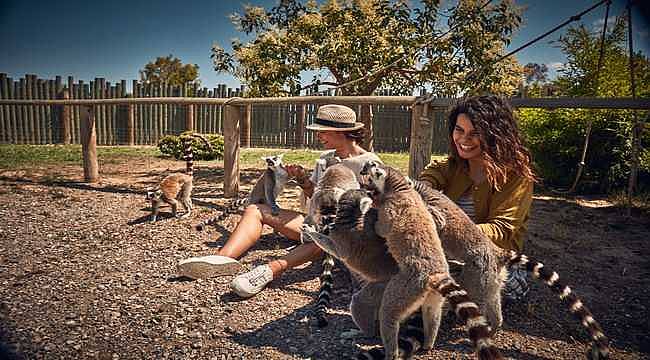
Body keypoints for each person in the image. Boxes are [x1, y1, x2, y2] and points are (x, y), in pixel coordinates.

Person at [178, 104, 382, 298]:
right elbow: (317, 197)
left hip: (345, 238)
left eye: (323, 131)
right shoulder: (326, 157)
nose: (318, 136)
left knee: (325, 234)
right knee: (256, 210)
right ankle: (222, 259)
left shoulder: (369, 164)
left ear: (341, 132)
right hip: (314, 224)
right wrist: (302, 179)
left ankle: (269, 270)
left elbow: (374, 214)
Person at [418, 94, 536, 300]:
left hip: (493, 258)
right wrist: (420, 189)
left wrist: (443, 233)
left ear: (494, 135)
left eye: (475, 133)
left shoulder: (515, 175)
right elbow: (432, 174)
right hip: (450, 250)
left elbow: (502, 230)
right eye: (459, 130)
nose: (464, 140)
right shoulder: (454, 165)